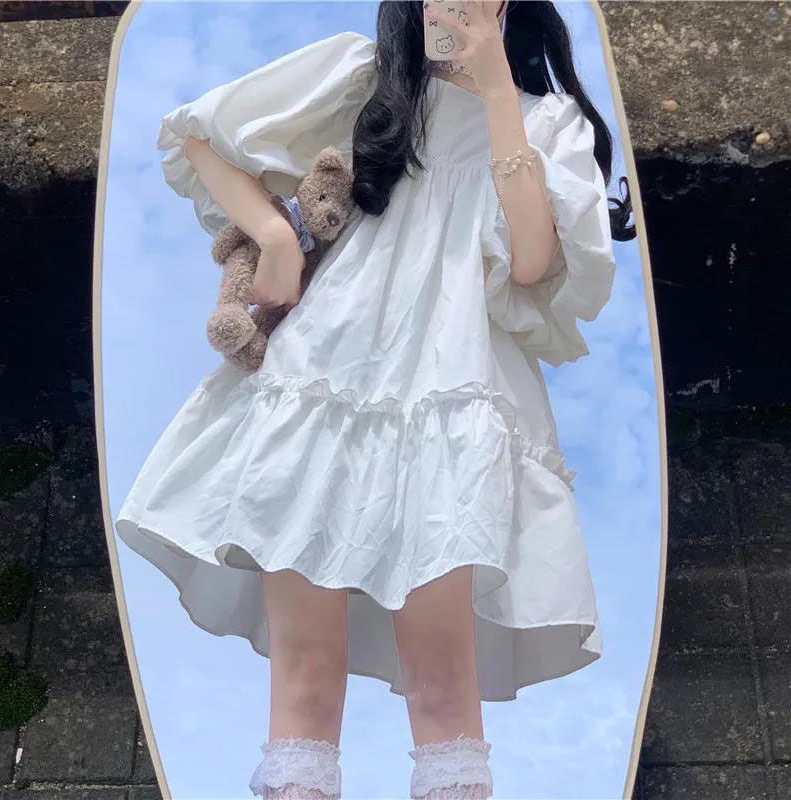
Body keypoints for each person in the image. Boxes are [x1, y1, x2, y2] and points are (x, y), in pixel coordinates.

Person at [115, 1, 634, 798]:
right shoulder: (366, 82)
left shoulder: (549, 122)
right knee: (305, 675)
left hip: (453, 391)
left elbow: (533, 262)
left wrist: (498, 89)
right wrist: (276, 238)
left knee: (442, 686)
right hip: (324, 374)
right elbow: (196, 136)